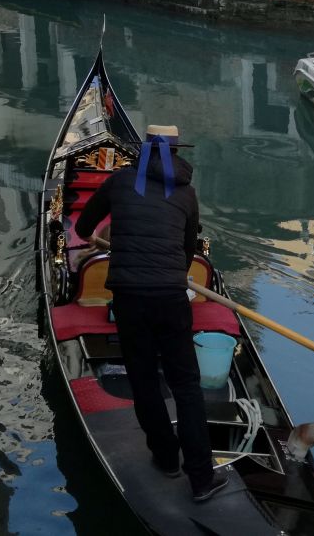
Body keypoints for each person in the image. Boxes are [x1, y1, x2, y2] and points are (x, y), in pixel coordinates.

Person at [74, 123, 229, 503]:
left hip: (129, 298)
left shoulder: (119, 182)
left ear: (142, 151)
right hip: (171, 298)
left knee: (143, 379)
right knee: (186, 386)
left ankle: (166, 458)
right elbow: (187, 249)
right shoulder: (187, 193)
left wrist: (116, 239)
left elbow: (83, 226)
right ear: (175, 152)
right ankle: (201, 478)